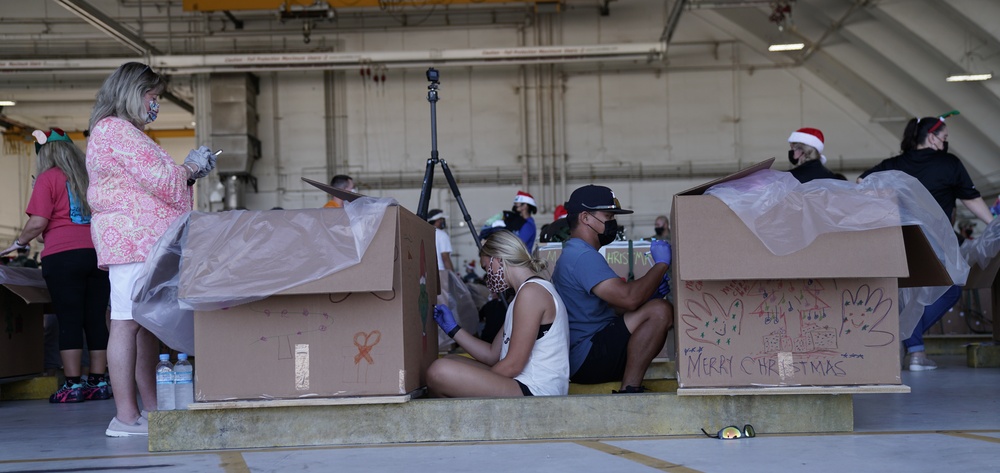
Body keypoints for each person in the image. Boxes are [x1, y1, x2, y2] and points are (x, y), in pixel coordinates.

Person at [86, 62, 217, 437]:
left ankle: (152, 410)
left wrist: (188, 172)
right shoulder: (116, 130)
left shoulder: (123, 133)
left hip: (143, 242)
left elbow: (156, 183)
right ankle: (125, 417)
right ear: (132, 93)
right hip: (132, 241)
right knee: (127, 323)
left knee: (143, 325)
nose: (155, 104)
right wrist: (190, 166)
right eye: (152, 96)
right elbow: (164, 182)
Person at [859, 114, 993, 371]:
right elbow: (971, 198)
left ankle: (916, 351)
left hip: (901, 243)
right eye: (943, 138)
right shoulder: (949, 163)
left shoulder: (894, 164)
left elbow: (862, 182)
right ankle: (907, 338)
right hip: (936, 244)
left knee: (908, 298)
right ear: (931, 138)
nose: (945, 143)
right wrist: (992, 223)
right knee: (951, 289)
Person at [1, 128, 112, 404]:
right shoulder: (90, 179)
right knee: (96, 319)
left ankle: (72, 385)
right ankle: (98, 382)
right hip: (97, 254)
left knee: (69, 320)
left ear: (45, 154)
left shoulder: (47, 178)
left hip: (63, 257)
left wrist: (20, 242)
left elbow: (38, 223)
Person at [551, 185, 674, 393]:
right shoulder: (582, 256)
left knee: (654, 306)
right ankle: (630, 389)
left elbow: (612, 306)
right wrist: (661, 266)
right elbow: (629, 299)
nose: (612, 223)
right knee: (660, 311)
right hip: (588, 356)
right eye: (608, 215)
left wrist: (649, 293)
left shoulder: (577, 252)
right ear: (585, 218)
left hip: (589, 351)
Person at [427, 230, 569, 397]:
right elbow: (492, 355)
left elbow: (513, 365)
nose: (488, 276)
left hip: (537, 390)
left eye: (486, 268)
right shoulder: (522, 295)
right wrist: (453, 329)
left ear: (497, 260)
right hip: (523, 383)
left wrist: (475, 382)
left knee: (439, 372)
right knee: (450, 361)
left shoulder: (532, 293)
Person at [426, 209, 454, 273]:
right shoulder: (442, 235)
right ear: (438, 220)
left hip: (427, 272)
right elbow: (445, 257)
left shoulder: (425, 232)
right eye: (442, 219)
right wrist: (452, 276)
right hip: (441, 272)